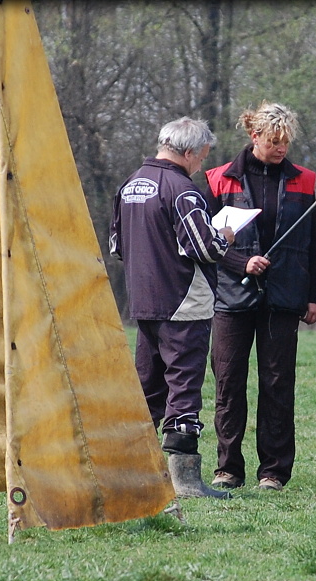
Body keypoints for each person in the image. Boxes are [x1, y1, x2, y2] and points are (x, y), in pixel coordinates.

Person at [109, 116, 235, 499]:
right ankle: (185, 480)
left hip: (144, 302)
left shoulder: (130, 185)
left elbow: (117, 245)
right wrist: (225, 235)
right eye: (202, 157)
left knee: (147, 388)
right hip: (184, 303)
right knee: (183, 385)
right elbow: (206, 248)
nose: (201, 164)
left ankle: (136, 475)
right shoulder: (182, 190)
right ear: (189, 152)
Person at [203, 101, 316, 491]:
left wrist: (314, 296)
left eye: (286, 141)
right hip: (230, 298)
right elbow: (205, 240)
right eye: (274, 140)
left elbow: (312, 245)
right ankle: (228, 468)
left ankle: (273, 471)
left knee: (277, 385)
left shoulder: (305, 180)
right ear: (254, 135)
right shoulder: (218, 178)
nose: (281, 148)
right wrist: (241, 263)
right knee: (228, 383)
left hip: (284, 298)